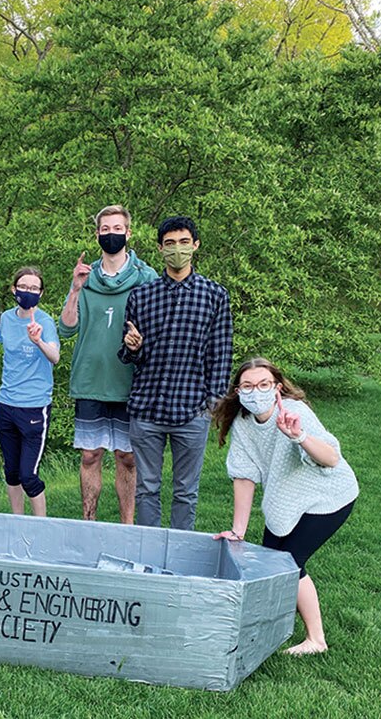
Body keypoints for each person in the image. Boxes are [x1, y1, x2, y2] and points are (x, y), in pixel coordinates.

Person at [212, 358, 358, 655]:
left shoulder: (295, 411)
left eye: (264, 384)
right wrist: (238, 531)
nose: (257, 391)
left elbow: (331, 458)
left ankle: (316, 640)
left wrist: (299, 436)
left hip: (328, 495)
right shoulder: (243, 423)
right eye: (248, 386)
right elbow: (244, 473)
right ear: (238, 391)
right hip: (286, 498)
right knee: (270, 565)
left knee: (290, 564)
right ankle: (268, 627)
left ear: (277, 386)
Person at [118, 216, 232, 530]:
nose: (177, 249)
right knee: (147, 489)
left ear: (195, 245)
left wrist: (212, 406)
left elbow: (221, 356)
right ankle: (149, 558)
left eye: (183, 242)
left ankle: (180, 561)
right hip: (147, 409)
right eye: (170, 244)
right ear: (160, 249)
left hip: (192, 410)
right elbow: (128, 356)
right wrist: (133, 347)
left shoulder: (215, 296)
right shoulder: (141, 297)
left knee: (186, 492)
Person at [59, 205, 157, 522]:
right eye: (105, 229)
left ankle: (126, 526)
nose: (111, 234)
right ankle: (89, 523)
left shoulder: (146, 278)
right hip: (90, 380)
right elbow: (66, 327)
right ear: (98, 234)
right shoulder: (85, 277)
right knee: (90, 455)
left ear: (128, 233)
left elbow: (157, 330)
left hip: (130, 382)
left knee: (127, 458)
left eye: (117, 228)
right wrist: (74, 289)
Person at [0, 267, 60, 516]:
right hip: (6, 404)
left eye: (34, 288)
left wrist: (38, 342)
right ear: (14, 289)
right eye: (23, 286)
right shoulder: (5, 318)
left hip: (34, 407)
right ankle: (16, 522)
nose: (28, 292)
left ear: (41, 293)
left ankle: (40, 526)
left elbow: (54, 357)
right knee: (11, 472)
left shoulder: (44, 322)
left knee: (28, 475)